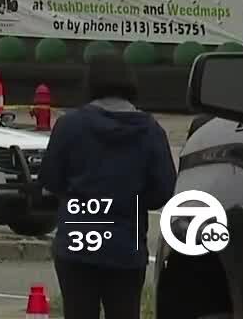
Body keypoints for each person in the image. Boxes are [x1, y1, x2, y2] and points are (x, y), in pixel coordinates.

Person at [39, 53, 177, 319]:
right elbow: (162, 191)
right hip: (126, 246)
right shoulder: (151, 131)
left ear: (89, 84)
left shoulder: (69, 126)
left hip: (77, 245)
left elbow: (51, 181)